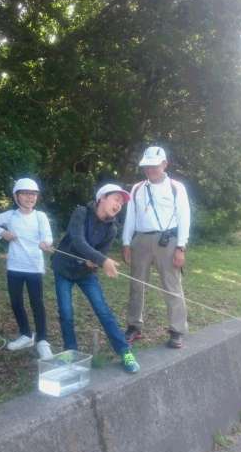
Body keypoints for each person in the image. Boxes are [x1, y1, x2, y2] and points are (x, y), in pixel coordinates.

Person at [52, 183, 140, 373]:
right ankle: (70, 352)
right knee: (66, 313)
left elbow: (101, 253)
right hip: (63, 269)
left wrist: (94, 262)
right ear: (102, 198)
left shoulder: (112, 229)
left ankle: (125, 351)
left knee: (103, 311)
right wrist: (102, 260)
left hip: (85, 274)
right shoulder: (81, 213)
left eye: (121, 203)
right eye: (116, 199)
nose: (119, 205)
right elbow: (78, 240)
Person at [122, 146, 190, 348]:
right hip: (141, 239)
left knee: (172, 285)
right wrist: (126, 242)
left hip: (167, 240)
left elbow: (184, 217)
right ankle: (134, 326)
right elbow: (130, 217)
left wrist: (181, 247)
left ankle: (177, 330)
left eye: (154, 165)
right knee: (136, 285)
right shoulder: (137, 188)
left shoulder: (176, 187)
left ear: (164, 164)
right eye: (147, 166)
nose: (150, 169)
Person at [0, 178, 54, 360]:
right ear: (16, 196)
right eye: (25, 194)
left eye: (33, 194)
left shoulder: (40, 216)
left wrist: (45, 243)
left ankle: (42, 340)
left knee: (37, 303)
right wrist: (3, 233)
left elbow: (47, 236)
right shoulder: (10, 215)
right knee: (16, 301)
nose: (30, 197)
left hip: (34, 267)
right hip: (15, 266)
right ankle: (25, 335)